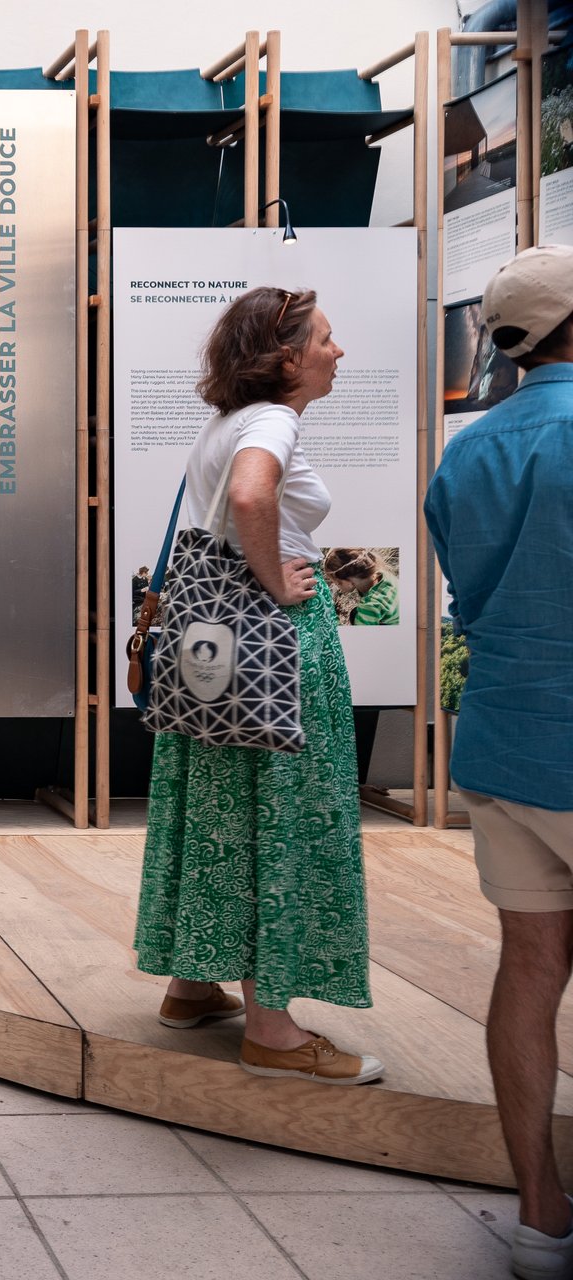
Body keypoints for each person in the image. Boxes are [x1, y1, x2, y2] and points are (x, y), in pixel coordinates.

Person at [132, 285, 382, 1085]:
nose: (338, 352)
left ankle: (194, 984)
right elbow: (249, 497)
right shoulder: (273, 419)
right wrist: (276, 580)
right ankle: (271, 1031)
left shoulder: (227, 420)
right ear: (288, 356)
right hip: (276, 644)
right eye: (327, 339)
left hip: (220, 650)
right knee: (284, 809)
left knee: (218, 802)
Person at [425, 245, 573, 1280]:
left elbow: (470, 600)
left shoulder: (466, 454)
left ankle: (538, 1217)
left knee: (528, 971)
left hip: (502, 743)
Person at [323, 547, 400, 625]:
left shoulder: (370, 606)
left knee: (354, 615)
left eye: (337, 583)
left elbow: (358, 636)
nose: (337, 586)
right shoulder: (383, 574)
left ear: (349, 582)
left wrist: (332, 617)